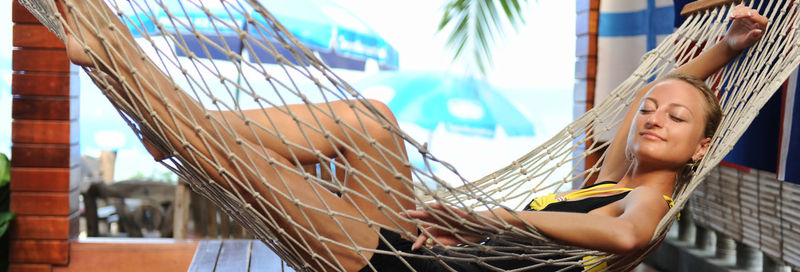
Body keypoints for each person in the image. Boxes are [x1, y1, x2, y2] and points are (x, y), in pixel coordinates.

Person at [55, 0, 767, 270]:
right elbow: (655, 91)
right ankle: (176, 126)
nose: (654, 118)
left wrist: (489, 217)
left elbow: (624, 238)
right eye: (652, 111)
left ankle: (122, 66)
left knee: (240, 163)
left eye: (677, 122)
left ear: (702, 148)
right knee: (370, 119)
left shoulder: (645, 208)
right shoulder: (612, 178)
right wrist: (723, 51)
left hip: (395, 270)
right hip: (415, 241)